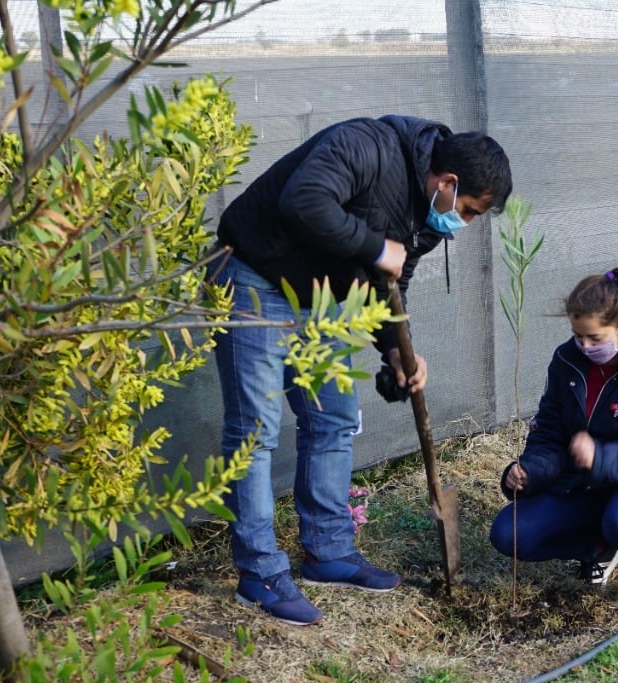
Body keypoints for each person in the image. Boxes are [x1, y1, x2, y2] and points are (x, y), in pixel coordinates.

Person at [207, 115, 512, 625]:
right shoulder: (367, 145)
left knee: (334, 418)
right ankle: (259, 573)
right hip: (253, 275)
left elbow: (391, 281)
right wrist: (376, 247)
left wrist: (397, 350)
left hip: (319, 300)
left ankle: (328, 552)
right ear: (449, 182)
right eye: (468, 211)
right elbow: (304, 200)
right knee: (254, 432)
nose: (463, 222)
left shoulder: (427, 215)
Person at [489, 267, 618, 609]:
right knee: (509, 533)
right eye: (578, 336)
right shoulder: (566, 361)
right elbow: (550, 434)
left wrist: (600, 458)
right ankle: (599, 548)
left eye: (594, 338)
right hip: (588, 487)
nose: (584, 346)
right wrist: (529, 470)